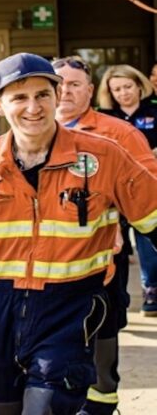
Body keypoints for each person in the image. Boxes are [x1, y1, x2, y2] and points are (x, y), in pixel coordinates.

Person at [0, 53, 157, 414]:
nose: (33, 107)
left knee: (46, 408)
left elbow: (153, 219)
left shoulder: (104, 156)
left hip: (71, 307)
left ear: (56, 95)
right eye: (19, 98)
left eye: (42, 95)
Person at [54, 56, 157, 415]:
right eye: (59, 83)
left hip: (101, 264)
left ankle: (100, 406)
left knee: (101, 336)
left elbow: (147, 192)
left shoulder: (120, 133)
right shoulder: (27, 132)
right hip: (43, 267)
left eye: (74, 85)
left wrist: (116, 220)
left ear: (90, 90)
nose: (65, 91)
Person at [96, 64, 157, 317]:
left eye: (127, 87)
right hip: (114, 191)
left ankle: (151, 290)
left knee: (148, 244)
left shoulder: (153, 108)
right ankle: (116, 300)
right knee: (115, 248)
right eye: (117, 89)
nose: (123, 93)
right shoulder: (103, 116)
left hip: (148, 186)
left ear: (140, 85)